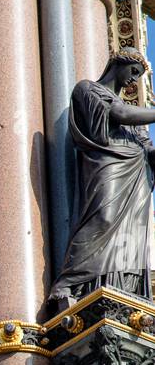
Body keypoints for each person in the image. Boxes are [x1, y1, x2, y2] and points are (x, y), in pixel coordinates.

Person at [48, 48, 155, 310]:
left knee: (130, 238)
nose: (134, 79)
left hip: (137, 178)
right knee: (103, 218)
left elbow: (149, 150)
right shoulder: (89, 90)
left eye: (139, 76)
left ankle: (124, 295)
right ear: (118, 63)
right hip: (108, 169)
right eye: (133, 71)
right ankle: (68, 284)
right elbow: (120, 115)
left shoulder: (135, 124)